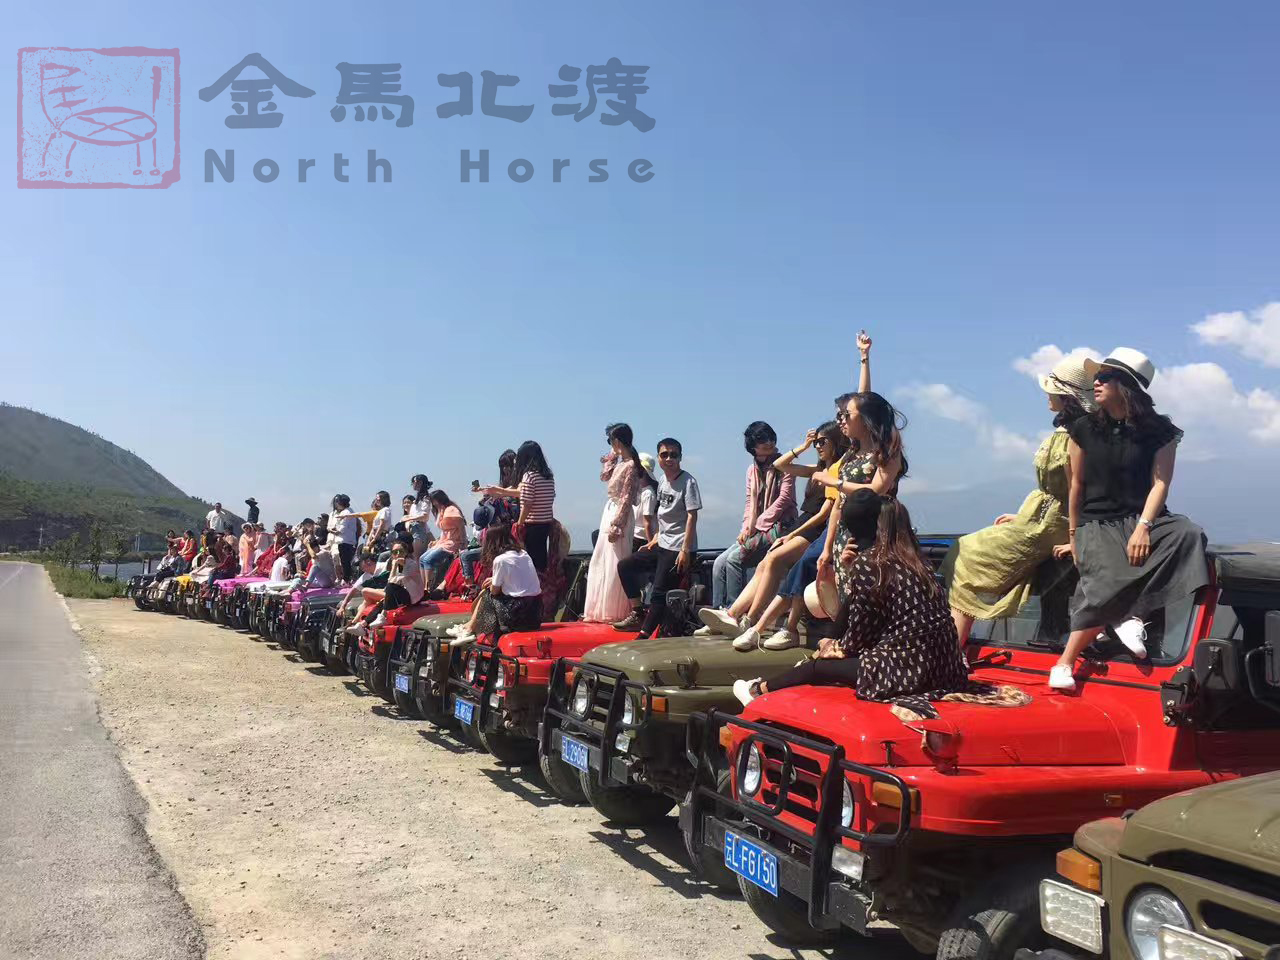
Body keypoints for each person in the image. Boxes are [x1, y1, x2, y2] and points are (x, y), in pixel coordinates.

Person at [1050, 348, 1209, 691]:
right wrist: (1074, 534)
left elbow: (1160, 483)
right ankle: (1068, 659)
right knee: (1105, 576)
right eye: (1096, 377)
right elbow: (1076, 486)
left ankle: (1129, 614)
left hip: (1143, 517)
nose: (1096, 382)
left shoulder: (1160, 430)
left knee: (1188, 534)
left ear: (1126, 386)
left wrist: (1144, 526)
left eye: (1105, 377)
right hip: (1096, 520)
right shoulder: (1082, 428)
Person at [734, 499, 969, 710]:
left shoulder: (871, 563)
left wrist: (834, 649)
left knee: (817, 668)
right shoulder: (919, 562)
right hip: (946, 669)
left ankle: (757, 691)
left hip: (907, 672)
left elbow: (860, 636)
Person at [947, 356, 1095, 647]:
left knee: (970, 555)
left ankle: (953, 652)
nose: (1046, 396)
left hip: (1054, 524)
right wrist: (1024, 516)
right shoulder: (1065, 432)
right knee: (966, 550)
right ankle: (954, 649)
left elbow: (1078, 491)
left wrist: (1076, 538)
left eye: (1051, 390)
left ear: (1066, 397)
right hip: (1040, 518)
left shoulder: (1078, 435)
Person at [701, 419, 851, 650]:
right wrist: (803, 446)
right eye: (817, 442)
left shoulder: (837, 470)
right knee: (761, 563)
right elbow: (781, 464)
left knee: (770, 559)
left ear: (836, 442)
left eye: (823, 442)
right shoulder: (818, 469)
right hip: (803, 523)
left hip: (811, 526)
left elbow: (824, 512)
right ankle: (732, 614)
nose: (818, 446)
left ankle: (748, 619)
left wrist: (788, 534)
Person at [812, 391, 908, 605]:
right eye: (839, 416)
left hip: (875, 533)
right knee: (847, 596)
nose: (841, 420)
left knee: (871, 596)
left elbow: (876, 489)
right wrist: (827, 548)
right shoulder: (851, 453)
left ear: (866, 418)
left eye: (846, 415)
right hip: (844, 536)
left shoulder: (887, 451)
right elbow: (838, 505)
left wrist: (833, 482)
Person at [613, 437, 702, 637]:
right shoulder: (662, 481)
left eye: (674, 455)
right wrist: (655, 538)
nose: (669, 459)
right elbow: (661, 514)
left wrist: (685, 550)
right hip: (662, 543)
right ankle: (638, 613)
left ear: (680, 457)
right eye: (664, 455)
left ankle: (644, 635)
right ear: (659, 458)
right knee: (625, 566)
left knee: (659, 591)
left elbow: (692, 516)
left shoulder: (688, 482)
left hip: (678, 547)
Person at [709, 421, 797, 610]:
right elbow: (750, 502)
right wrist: (746, 529)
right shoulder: (752, 471)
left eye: (771, 438)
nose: (769, 442)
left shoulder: (785, 465)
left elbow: (784, 499)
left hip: (781, 526)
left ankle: (734, 611)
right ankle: (717, 610)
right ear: (753, 446)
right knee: (718, 563)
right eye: (763, 440)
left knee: (734, 559)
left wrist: (759, 524)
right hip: (757, 528)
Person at [583, 423, 643, 623]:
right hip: (610, 510)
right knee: (602, 559)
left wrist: (617, 524)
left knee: (614, 561)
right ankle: (600, 609)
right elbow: (604, 476)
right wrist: (611, 458)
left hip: (619, 513)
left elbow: (627, 497)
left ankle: (614, 610)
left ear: (616, 441)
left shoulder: (631, 465)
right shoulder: (621, 462)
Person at [446, 524, 542, 645]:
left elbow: (494, 591)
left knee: (487, 594)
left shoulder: (500, 560)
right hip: (535, 611)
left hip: (517, 613)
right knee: (490, 591)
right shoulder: (523, 554)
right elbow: (519, 580)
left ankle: (469, 630)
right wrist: (494, 579)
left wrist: (491, 584)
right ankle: (468, 627)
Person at [483, 441, 556, 572]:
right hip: (545, 523)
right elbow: (522, 492)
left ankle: (532, 583)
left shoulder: (529, 476)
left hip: (532, 524)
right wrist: (499, 491)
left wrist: (520, 523)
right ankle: (542, 581)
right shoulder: (548, 476)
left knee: (529, 559)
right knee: (540, 558)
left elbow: (527, 503)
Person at [348, 534, 424, 637]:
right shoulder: (396, 564)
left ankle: (382, 617)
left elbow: (392, 582)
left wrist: (394, 565)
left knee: (386, 589)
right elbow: (391, 581)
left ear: (406, 552)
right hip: (403, 593)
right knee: (382, 601)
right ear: (392, 554)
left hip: (414, 597)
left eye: (400, 551)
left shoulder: (411, 565)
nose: (398, 554)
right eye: (395, 552)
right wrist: (394, 565)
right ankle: (362, 625)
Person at [420, 490, 466, 592]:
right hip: (444, 542)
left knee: (428, 560)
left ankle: (428, 587)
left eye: (433, 500)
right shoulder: (441, 510)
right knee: (422, 559)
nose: (433, 503)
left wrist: (463, 544)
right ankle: (424, 587)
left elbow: (461, 526)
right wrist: (437, 541)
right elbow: (444, 532)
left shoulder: (451, 510)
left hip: (453, 542)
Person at [328, 495, 360, 582]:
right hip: (347, 540)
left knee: (345, 562)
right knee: (345, 561)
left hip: (344, 540)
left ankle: (346, 580)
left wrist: (333, 530)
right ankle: (346, 579)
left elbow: (342, 529)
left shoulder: (346, 512)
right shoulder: (350, 511)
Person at [632, 452, 658, 552]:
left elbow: (647, 523)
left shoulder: (648, 494)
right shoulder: (639, 491)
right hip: (633, 535)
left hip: (640, 539)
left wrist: (650, 547)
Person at [407, 475, 435, 559]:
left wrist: (409, 518)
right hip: (413, 527)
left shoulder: (425, 498)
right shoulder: (418, 499)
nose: (414, 484)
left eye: (415, 482)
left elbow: (425, 516)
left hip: (418, 528)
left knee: (417, 556)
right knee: (413, 556)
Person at [367, 491, 394, 555]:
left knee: (377, 554)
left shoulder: (385, 510)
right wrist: (369, 539)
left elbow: (382, 525)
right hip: (376, 534)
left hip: (381, 535)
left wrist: (375, 539)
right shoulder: (380, 511)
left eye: (378, 499)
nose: (376, 500)